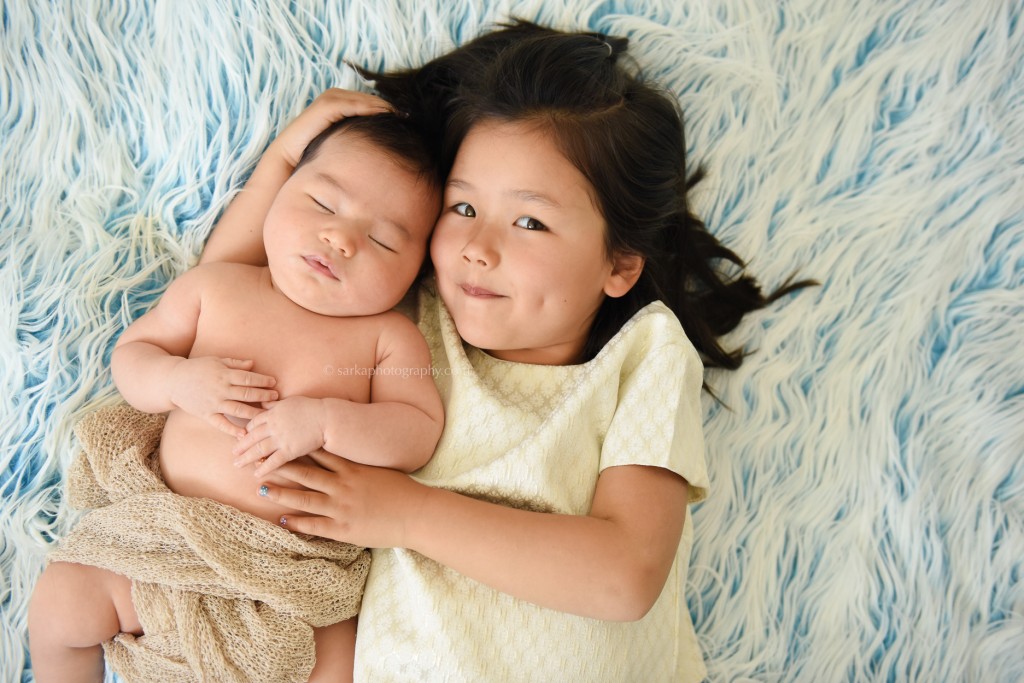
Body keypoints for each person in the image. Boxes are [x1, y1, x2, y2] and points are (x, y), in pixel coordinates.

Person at [213, 21, 813, 681]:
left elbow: (625, 575)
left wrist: (403, 511)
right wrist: (285, 157)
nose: (477, 246)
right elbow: (233, 301)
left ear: (619, 263)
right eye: (463, 207)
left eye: (529, 221)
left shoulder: (644, 355)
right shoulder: (410, 325)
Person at [28, 101, 446, 683]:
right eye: (323, 203)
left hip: (291, 567)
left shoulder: (386, 339)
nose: (341, 238)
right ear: (280, 195)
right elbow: (132, 357)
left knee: (340, 660)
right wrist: (178, 380)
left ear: (419, 273)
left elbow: (417, 430)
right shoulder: (217, 287)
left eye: (383, 241)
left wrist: (328, 421)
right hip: (164, 538)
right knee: (60, 601)